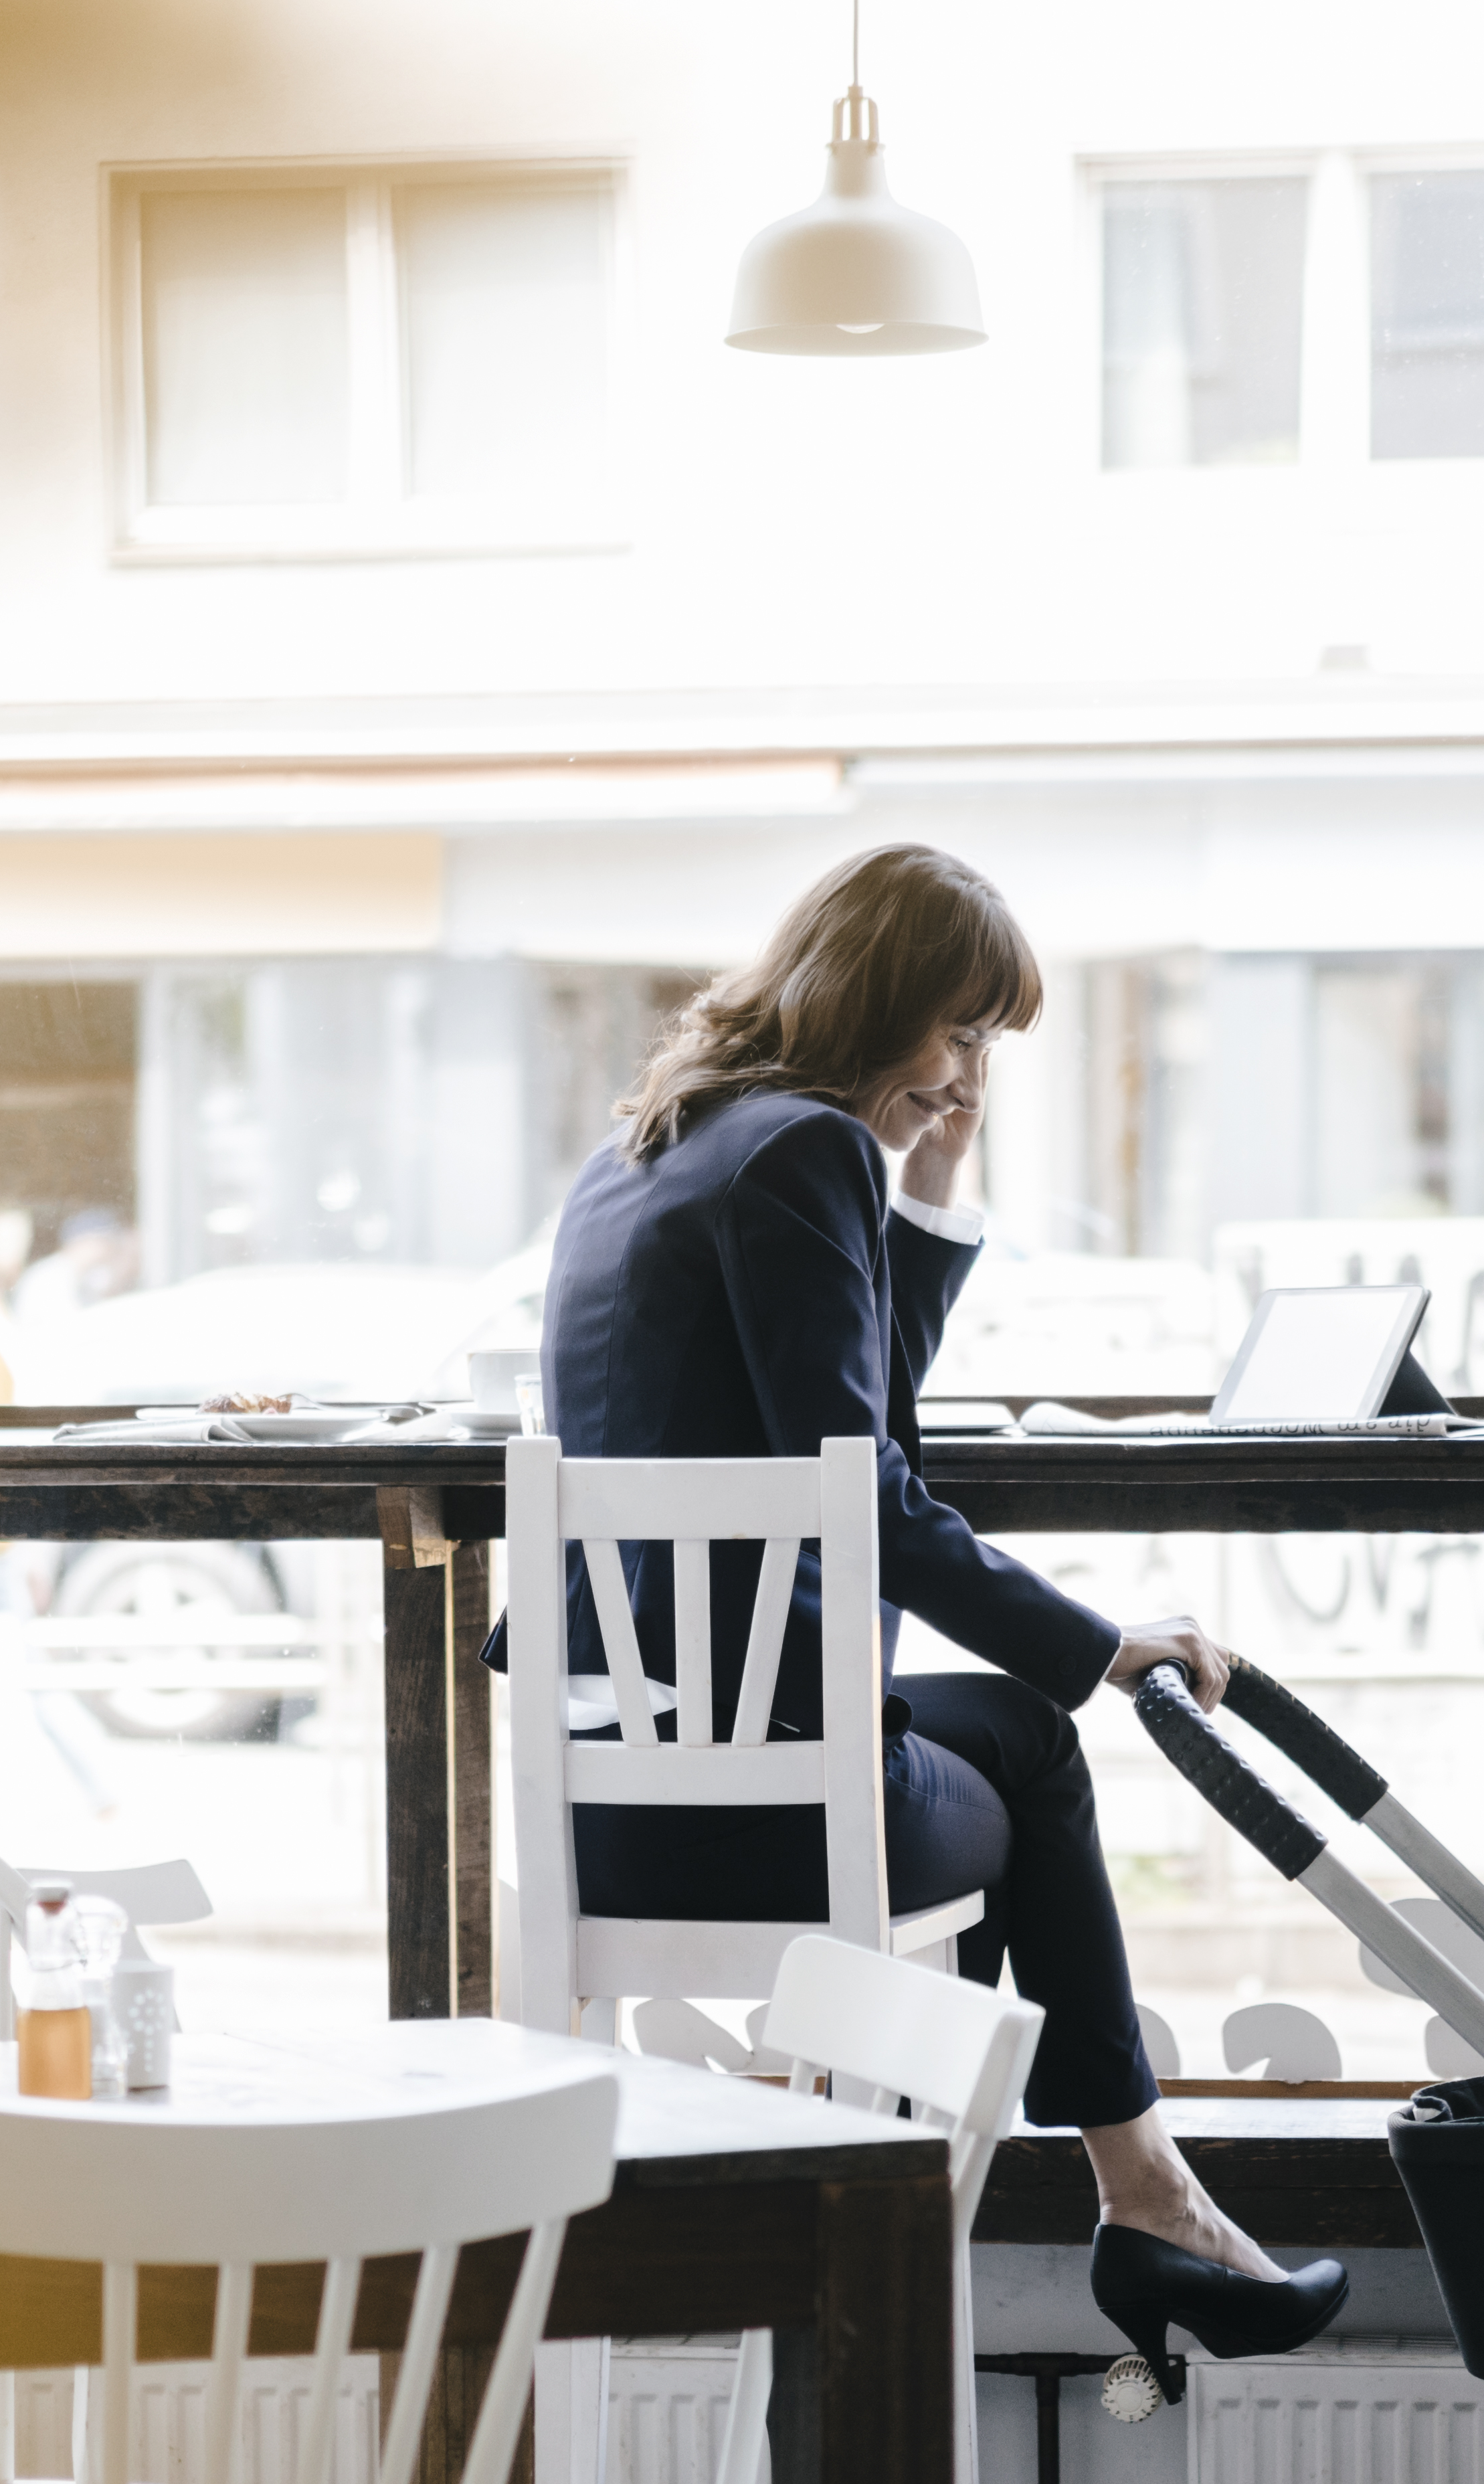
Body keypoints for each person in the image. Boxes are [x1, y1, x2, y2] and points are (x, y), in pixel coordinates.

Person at [531, 843, 1348, 2375]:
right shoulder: (801, 1151)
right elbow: (875, 1492)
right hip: (766, 1801)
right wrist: (1106, 1643)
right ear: (876, 1000)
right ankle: (1106, 2193)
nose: (968, 1075)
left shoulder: (648, 1142)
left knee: (1014, 1739)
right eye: (957, 1033)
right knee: (1039, 1737)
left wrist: (929, 1186)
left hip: (612, 1792)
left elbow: (846, 1436)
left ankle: (1081, 2192)